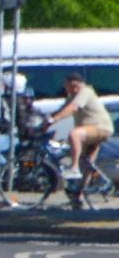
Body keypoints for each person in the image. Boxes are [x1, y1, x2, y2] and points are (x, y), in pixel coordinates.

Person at [46, 71, 115, 206]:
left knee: (74, 134)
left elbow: (72, 108)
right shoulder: (72, 95)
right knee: (87, 163)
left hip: (100, 128)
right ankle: (78, 197)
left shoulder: (85, 92)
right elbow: (63, 109)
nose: (64, 89)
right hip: (90, 130)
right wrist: (45, 122)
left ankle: (74, 167)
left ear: (74, 85)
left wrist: (54, 119)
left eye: (66, 86)